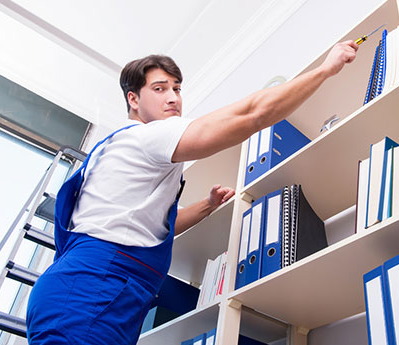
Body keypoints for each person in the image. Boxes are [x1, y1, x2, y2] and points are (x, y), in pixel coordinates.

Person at [26, 39, 358, 344]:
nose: (173, 97)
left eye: (177, 88)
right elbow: (253, 114)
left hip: (90, 292)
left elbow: (144, 224)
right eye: (159, 89)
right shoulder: (149, 136)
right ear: (133, 99)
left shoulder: (117, 149)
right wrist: (326, 70)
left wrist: (207, 205)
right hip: (93, 291)